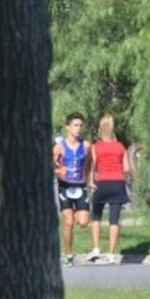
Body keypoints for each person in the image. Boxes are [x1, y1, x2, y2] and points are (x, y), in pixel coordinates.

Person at [88, 114, 131, 264]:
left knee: (96, 216)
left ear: (100, 129)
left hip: (102, 183)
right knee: (114, 220)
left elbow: (92, 166)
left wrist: (91, 182)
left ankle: (96, 248)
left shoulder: (95, 147)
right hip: (117, 183)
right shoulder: (120, 147)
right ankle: (111, 254)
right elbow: (126, 168)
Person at [53, 112, 92, 267]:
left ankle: (76, 213)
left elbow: (89, 164)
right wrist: (58, 171)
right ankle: (68, 255)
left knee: (83, 222)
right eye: (75, 125)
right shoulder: (59, 147)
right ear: (67, 127)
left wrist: (90, 180)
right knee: (68, 222)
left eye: (81, 125)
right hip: (65, 186)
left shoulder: (87, 145)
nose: (78, 128)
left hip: (81, 186)